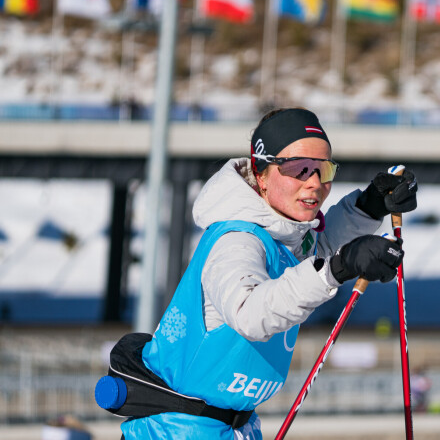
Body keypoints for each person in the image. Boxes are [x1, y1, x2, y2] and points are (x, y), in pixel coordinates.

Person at [102, 107, 418, 439]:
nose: (314, 184)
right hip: (176, 431)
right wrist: (340, 268)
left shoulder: (283, 239)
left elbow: (315, 254)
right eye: (299, 169)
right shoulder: (237, 240)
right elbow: (251, 313)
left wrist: (369, 206)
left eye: (323, 170)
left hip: (228, 426)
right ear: (262, 173)